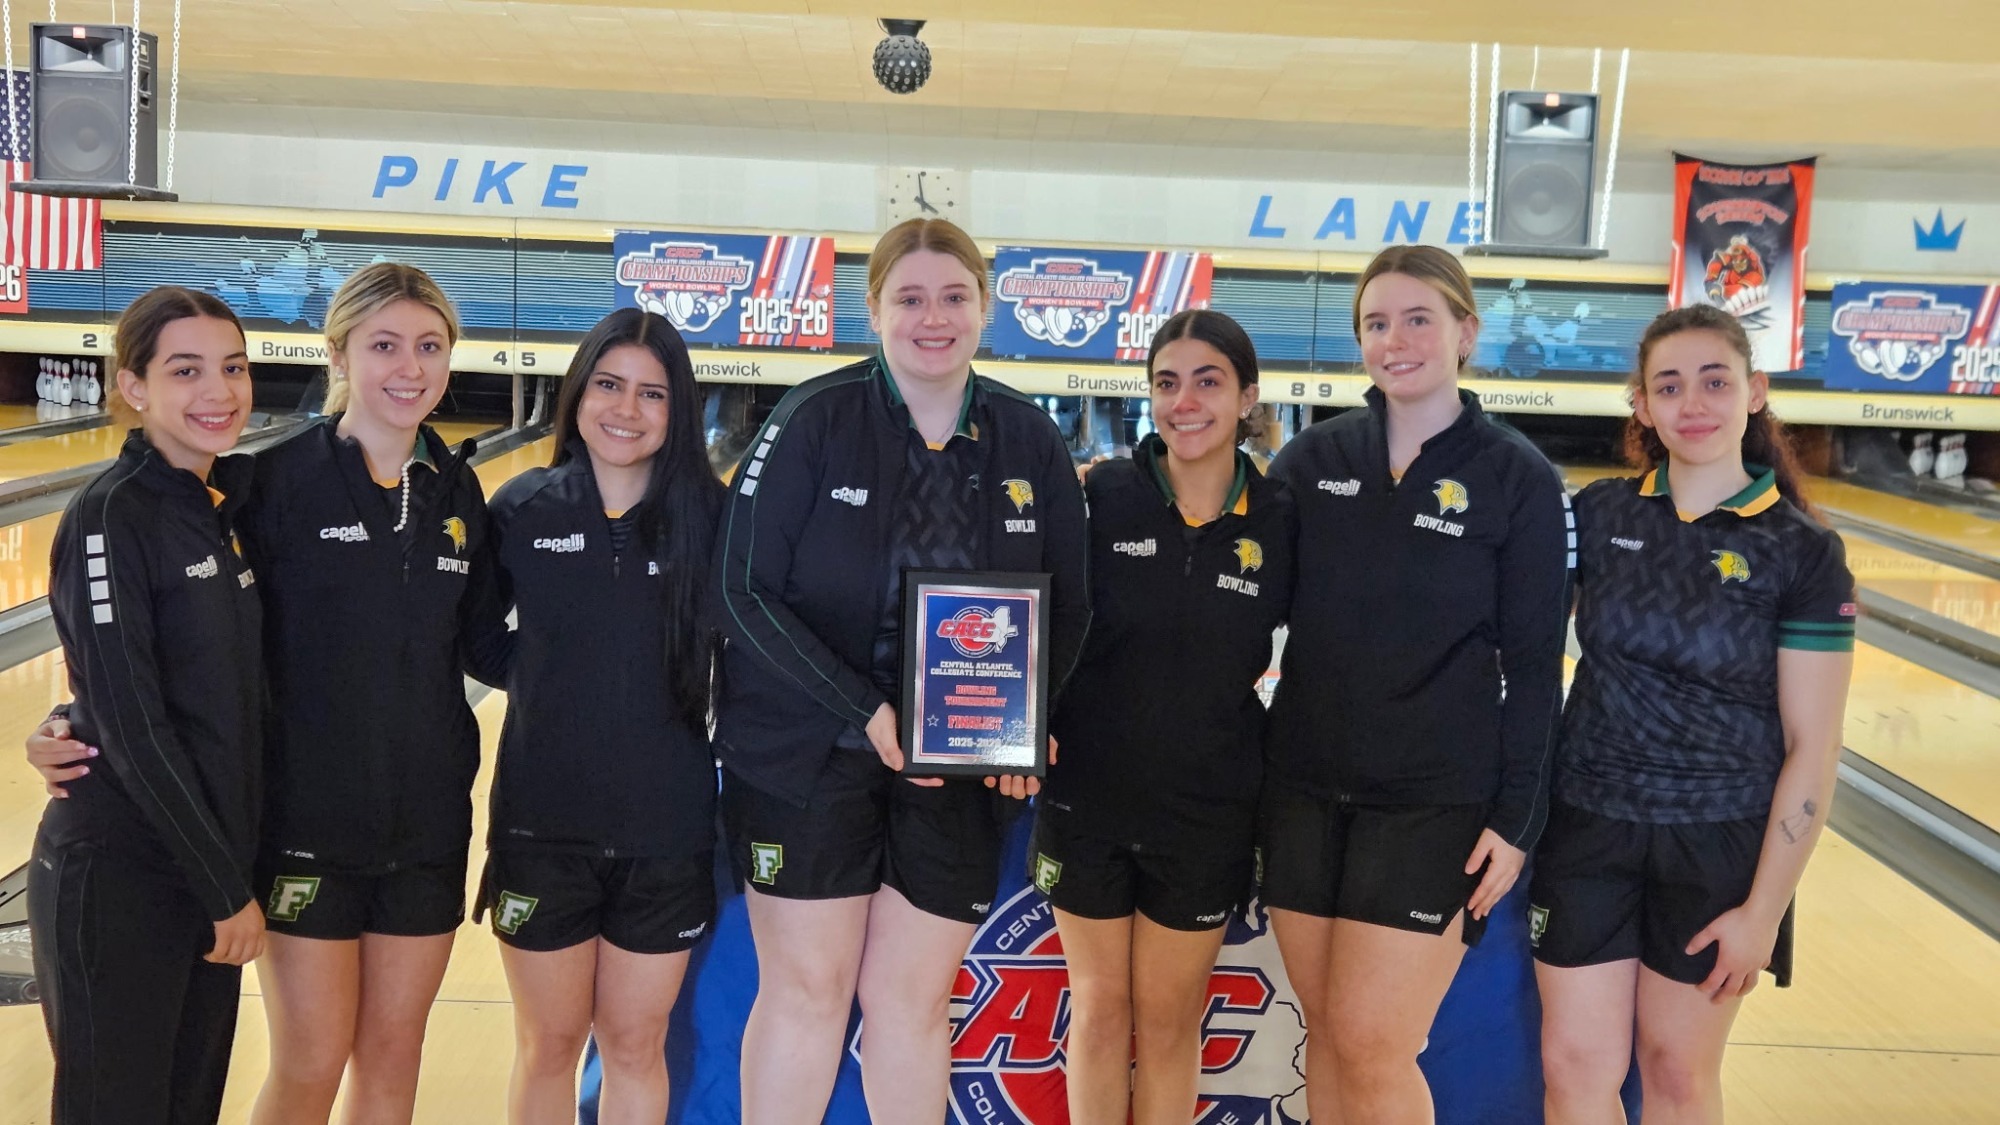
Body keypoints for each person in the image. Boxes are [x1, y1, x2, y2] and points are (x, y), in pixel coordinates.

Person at [712, 216, 1089, 1124]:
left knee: (914, 1007)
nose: (934, 317)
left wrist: (1026, 720)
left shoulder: (1028, 438)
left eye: (954, 296)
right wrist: (870, 710)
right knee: (807, 993)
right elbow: (741, 589)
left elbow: (1069, 609)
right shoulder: (812, 418)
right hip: (805, 755)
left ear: (985, 308)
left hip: (956, 767)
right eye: (909, 297)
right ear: (872, 308)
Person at [1259, 244, 1571, 1124]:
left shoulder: (1518, 479)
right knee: (1324, 1030)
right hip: (1302, 790)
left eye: (1418, 318)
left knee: (1373, 1039)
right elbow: (1236, 602)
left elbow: (1537, 663)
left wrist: (1518, 818)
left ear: (1466, 331)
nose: (1395, 340)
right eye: (1376, 323)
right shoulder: (1311, 461)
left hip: (1433, 801)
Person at [1533, 304, 1854, 1125]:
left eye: (1716, 380)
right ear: (1641, 404)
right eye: (1668, 387)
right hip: (1589, 825)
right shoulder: (1598, 514)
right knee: (1574, 1066)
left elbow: (1812, 749)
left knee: (1676, 1070)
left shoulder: (1802, 551)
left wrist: (1764, 911)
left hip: (1717, 840)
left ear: (1755, 392)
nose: (1694, 402)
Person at [1033, 309, 1294, 1124]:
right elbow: (1035, 620)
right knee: (1102, 1009)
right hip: (1089, 800)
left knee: (1172, 1020)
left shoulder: (1282, 518)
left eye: (1208, 381)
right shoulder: (1102, 495)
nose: (1184, 401)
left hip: (1207, 811)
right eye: (1166, 382)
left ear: (1248, 396)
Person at [475, 308, 722, 1124]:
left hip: (666, 831)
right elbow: (474, 636)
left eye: (653, 393)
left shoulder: (714, 520)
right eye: (609, 384)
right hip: (543, 828)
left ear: (678, 409)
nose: (627, 408)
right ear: (578, 392)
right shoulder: (522, 507)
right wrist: (547, 678)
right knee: (548, 1044)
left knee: (633, 1044)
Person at [26, 286, 263, 1123]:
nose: (219, 391)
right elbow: (130, 721)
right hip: (124, 875)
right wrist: (223, 887)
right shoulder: (109, 516)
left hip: (203, 874)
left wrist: (225, 880)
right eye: (186, 370)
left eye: (233, 367)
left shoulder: (223, 504)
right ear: (133, 387)